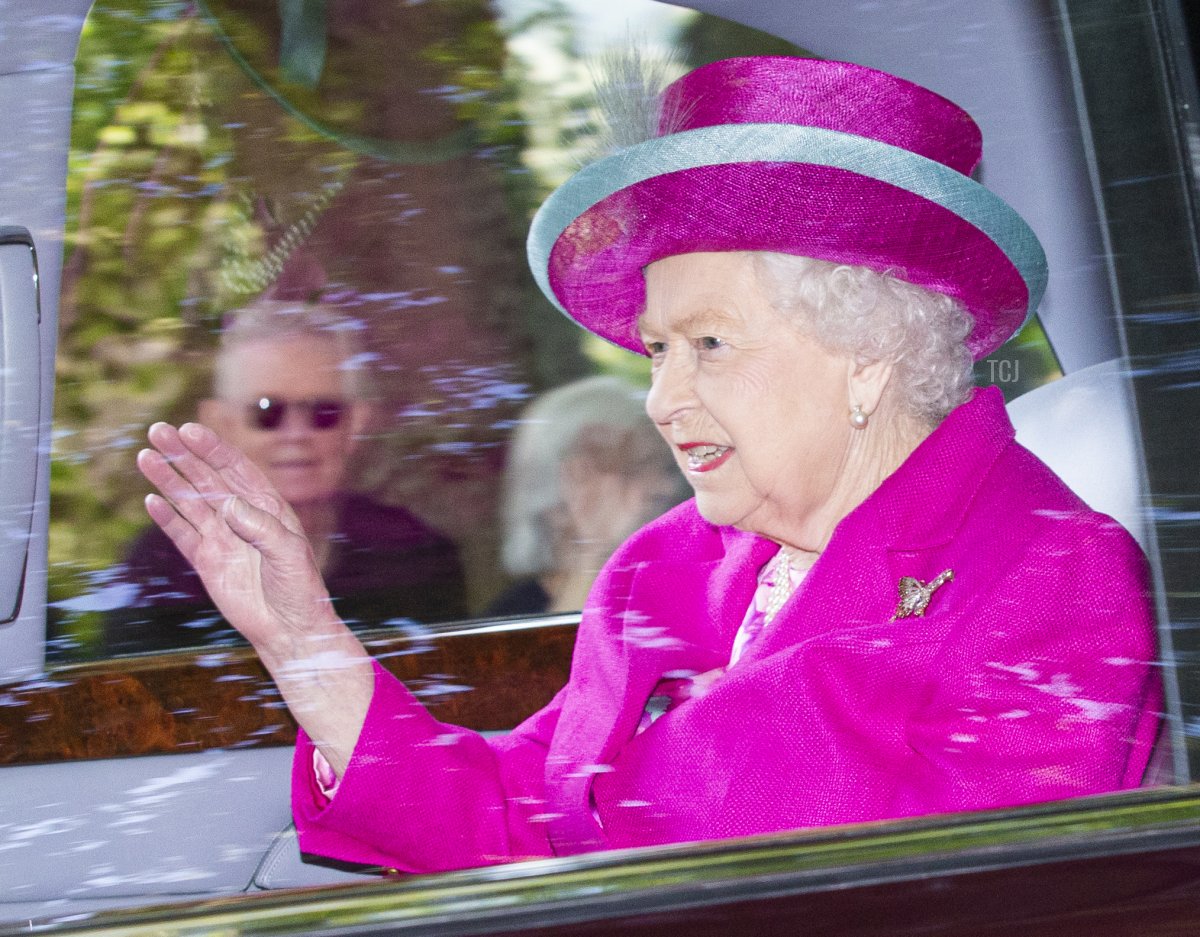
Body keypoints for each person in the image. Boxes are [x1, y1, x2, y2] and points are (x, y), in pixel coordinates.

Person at [136, 56, 1161, 872]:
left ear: (869, 353)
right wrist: (304, 641)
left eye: (708, 344)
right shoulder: (665, 567)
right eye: (658, 350)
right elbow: (520, 813)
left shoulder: (1050, 579)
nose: (661, 401)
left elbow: (995, 905)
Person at [106, 299, 466, 654]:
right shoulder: (161, 571)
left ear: (356, 424)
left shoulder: (414, 558)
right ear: (220, 425)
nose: (296, 434)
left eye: (324, 412)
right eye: (267, 412)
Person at [488, 375, 688, 615]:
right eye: (638, 468)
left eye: (666, 468)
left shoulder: (679, 590)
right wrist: (594, 551)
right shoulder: (507, 626)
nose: (666, 487)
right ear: (572, 485)